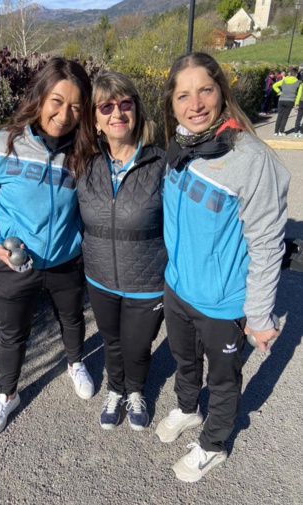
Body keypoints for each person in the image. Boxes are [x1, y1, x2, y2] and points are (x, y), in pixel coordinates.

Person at [156, 52, 290, 482]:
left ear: (222, 93)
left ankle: (214, 444)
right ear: (172, 104)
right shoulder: (181, 143)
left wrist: (259, 316)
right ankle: (187, 407)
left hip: (222, 301)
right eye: (183, 95)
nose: (195, 104)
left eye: (205, 90)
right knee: (183, 360)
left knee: (226, 380)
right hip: (177, 287)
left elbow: (268, 242)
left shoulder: (251, 158)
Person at [0, 57, 96, 439]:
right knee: (12, 333)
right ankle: (7, 395)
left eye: (75, 105)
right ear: (40, 97)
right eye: (57, 100)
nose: (64, 113)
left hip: (66, 259)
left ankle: (74, 363)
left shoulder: (85, 150)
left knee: (71, 320)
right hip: (13, 261)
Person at [77, 71, 167, 431]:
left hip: (148, 281)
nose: (117, 112)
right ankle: (115, 389)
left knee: (138, 345)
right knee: (112, 342)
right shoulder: (85, 164)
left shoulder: (162, 163)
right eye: (107, 106)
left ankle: (135, 390)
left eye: (125, 103)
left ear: (136, 110)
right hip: (99, 278)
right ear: (96, 120)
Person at [272, 67, 301, 136]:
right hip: (290, 100)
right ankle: (281, 131)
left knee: (279, 115)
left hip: (281, 99)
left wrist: (279, 92)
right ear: (296, 74)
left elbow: (274, 85)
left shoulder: (284, 80)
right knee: (285, 116)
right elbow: (299, 94)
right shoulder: (299, 83)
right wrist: (296, 103)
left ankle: (276, 131)